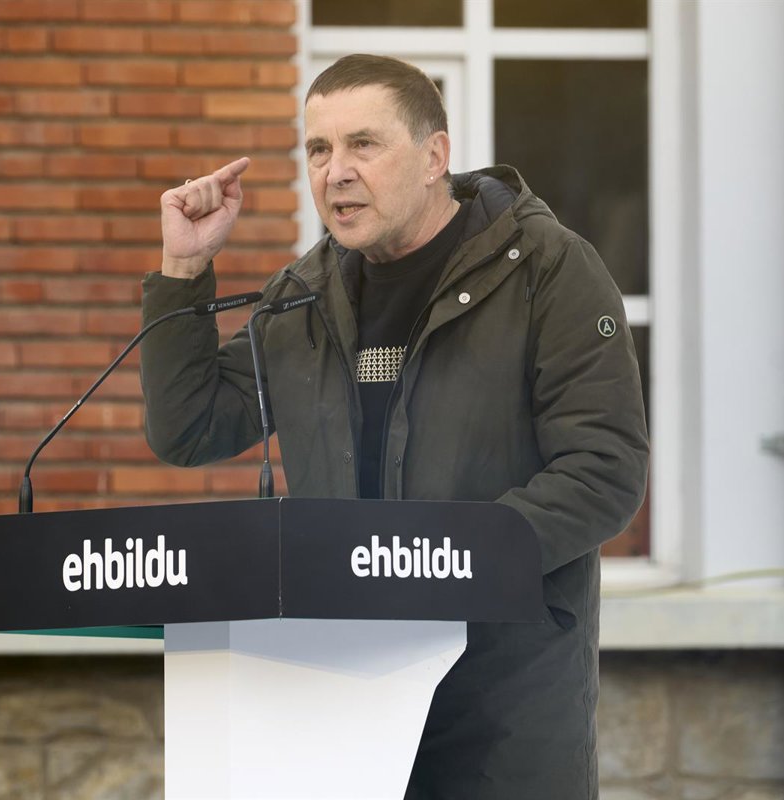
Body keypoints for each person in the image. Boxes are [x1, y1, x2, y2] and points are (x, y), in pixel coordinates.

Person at [140, 54, 649, 800]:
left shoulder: (547, 270)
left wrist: (431, 566)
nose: (336, 172)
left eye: (363, 144)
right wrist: (182, 272)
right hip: (341, 704)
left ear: (434, 156)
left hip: (503, 716)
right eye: (319, 149)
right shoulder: (302, 296)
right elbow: (189, 428)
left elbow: (603, 473)